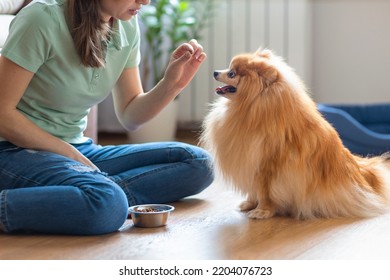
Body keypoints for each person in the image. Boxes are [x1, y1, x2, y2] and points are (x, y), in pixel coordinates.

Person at [0, 0, 214, 235]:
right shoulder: (42, 18)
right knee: (107, 203)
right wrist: (70, 154)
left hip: (77, 150)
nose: (145, 1)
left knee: (199, 163)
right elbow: (3, 115)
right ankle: (98, 193)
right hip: (13, 151)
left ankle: (88, 190)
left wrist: (171, 85)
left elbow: (130, 115)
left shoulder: (126, 27)